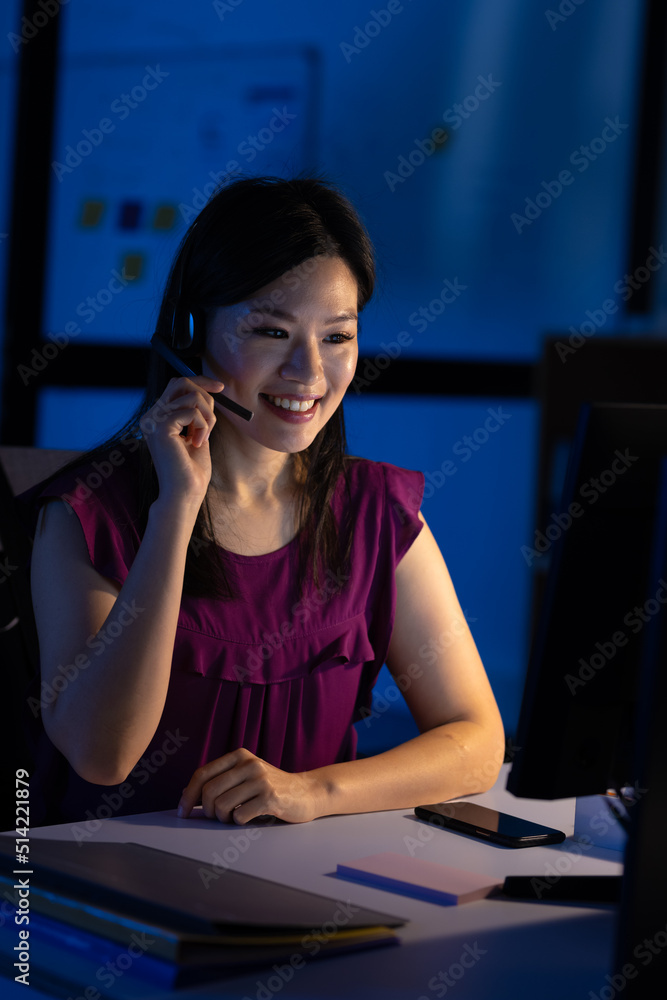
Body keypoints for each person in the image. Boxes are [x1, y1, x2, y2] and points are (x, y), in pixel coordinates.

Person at [26, 175, 504, 828]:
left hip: (302, 894)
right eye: (271, 333)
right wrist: (175, 510)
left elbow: (477, 742)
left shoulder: (377, 513)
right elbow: (101, 757)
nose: (308, 373)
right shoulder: (85, 516)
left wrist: (311, 793)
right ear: (191, 334)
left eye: (336, 337)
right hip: (110, 897)